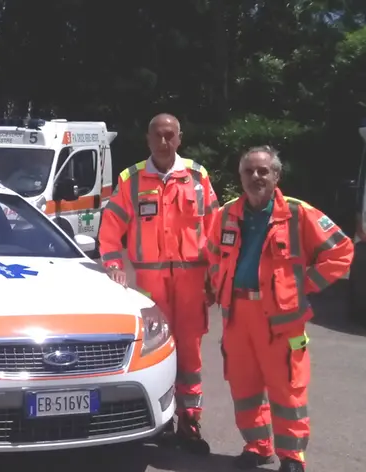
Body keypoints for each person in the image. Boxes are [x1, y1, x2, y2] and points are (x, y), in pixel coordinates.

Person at [205, 146, 352, 472]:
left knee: (288, 391)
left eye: (263, 171)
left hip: (281, 320)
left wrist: (304, 285)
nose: (256, 177)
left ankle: (292, 457)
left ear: (276, 176)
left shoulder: (299, 214)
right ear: (240, 176)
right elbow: (213, 252)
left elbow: (341, 251)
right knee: (244, 387)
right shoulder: (227, 214)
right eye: (249, 171)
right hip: (237, 314)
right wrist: (217, 283)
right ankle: (257, 447)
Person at [98, 113, 218, 454]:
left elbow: (215, 231)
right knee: (157, 353)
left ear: (180, 138)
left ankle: (190, 425)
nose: (164, 142)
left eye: (170, 136)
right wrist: (115, 266)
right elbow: (109, 232)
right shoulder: (131, 180)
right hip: (151, 288)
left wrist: (215, 279)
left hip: (192, 283)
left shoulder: (197, 177)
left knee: (190, 356)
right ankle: (162, 423)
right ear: (148, 140)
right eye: (158, 136)